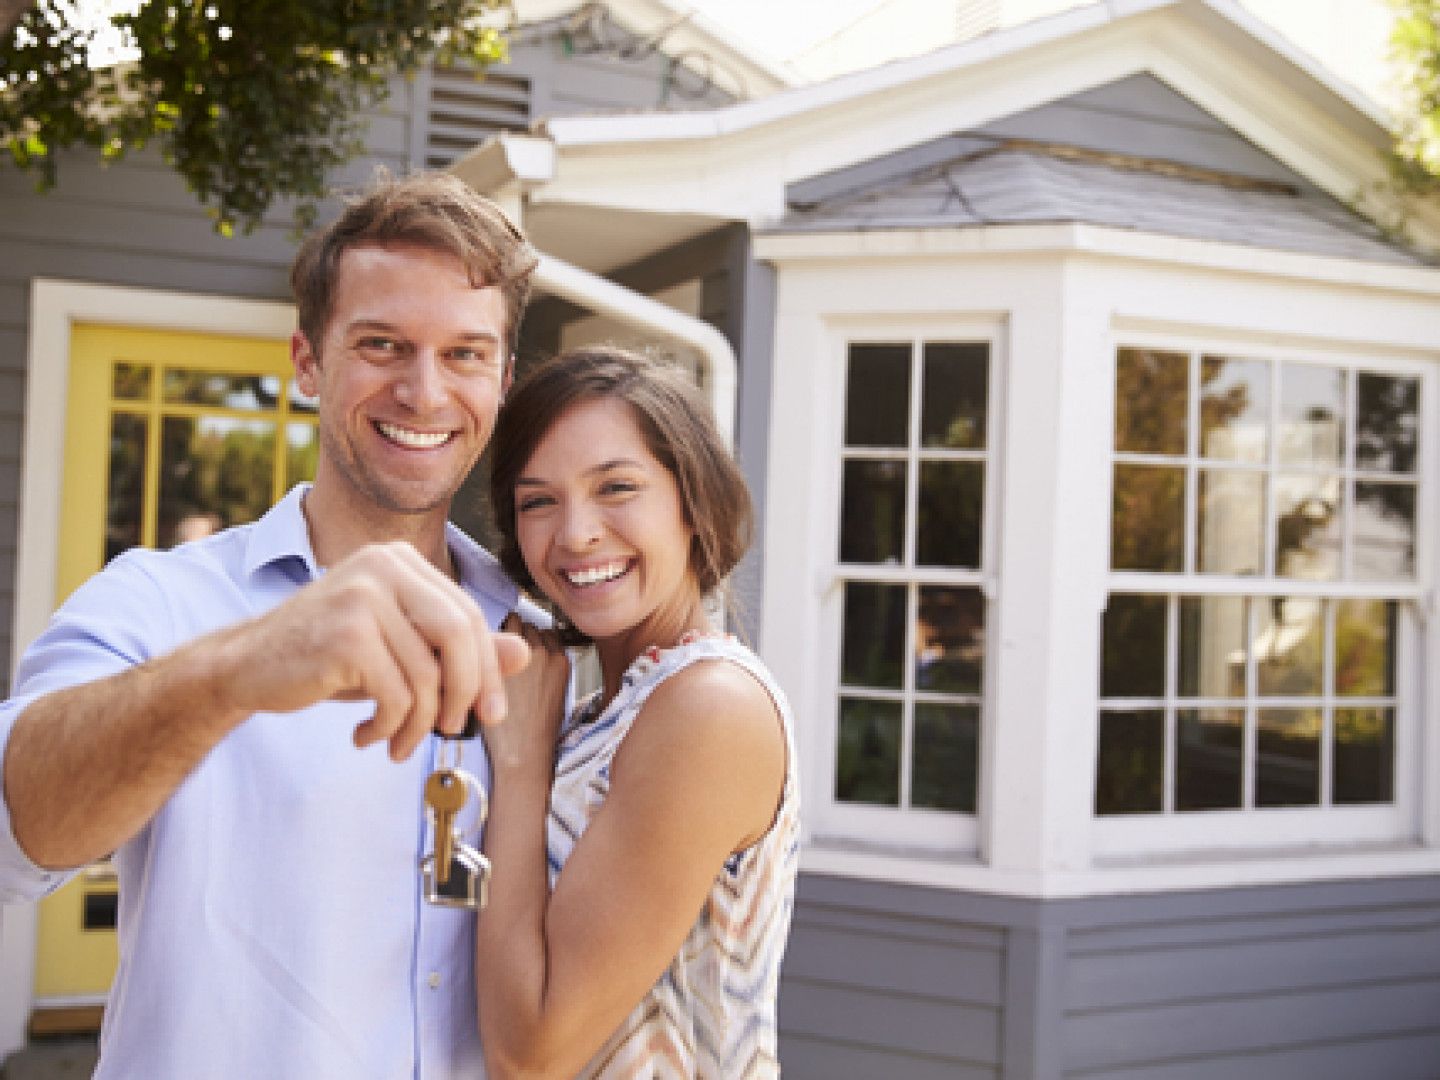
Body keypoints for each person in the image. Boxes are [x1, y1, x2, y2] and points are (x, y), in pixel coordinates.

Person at [0, 171, 540, 1078]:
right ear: (307, 360)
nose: (423, 391)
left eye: (464, 355)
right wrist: (237, 669)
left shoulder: (544, 638)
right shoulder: (162, 602)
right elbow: (16, 833)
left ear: (503, 379)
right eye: (382, 344)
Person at [479, 346, 800, 1078]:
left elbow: (532, 1052)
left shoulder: (708, 710)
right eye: (537, 501)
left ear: (694, 501)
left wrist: (522, 768)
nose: (575, 534)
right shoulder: (607, 708)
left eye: (616, 487)